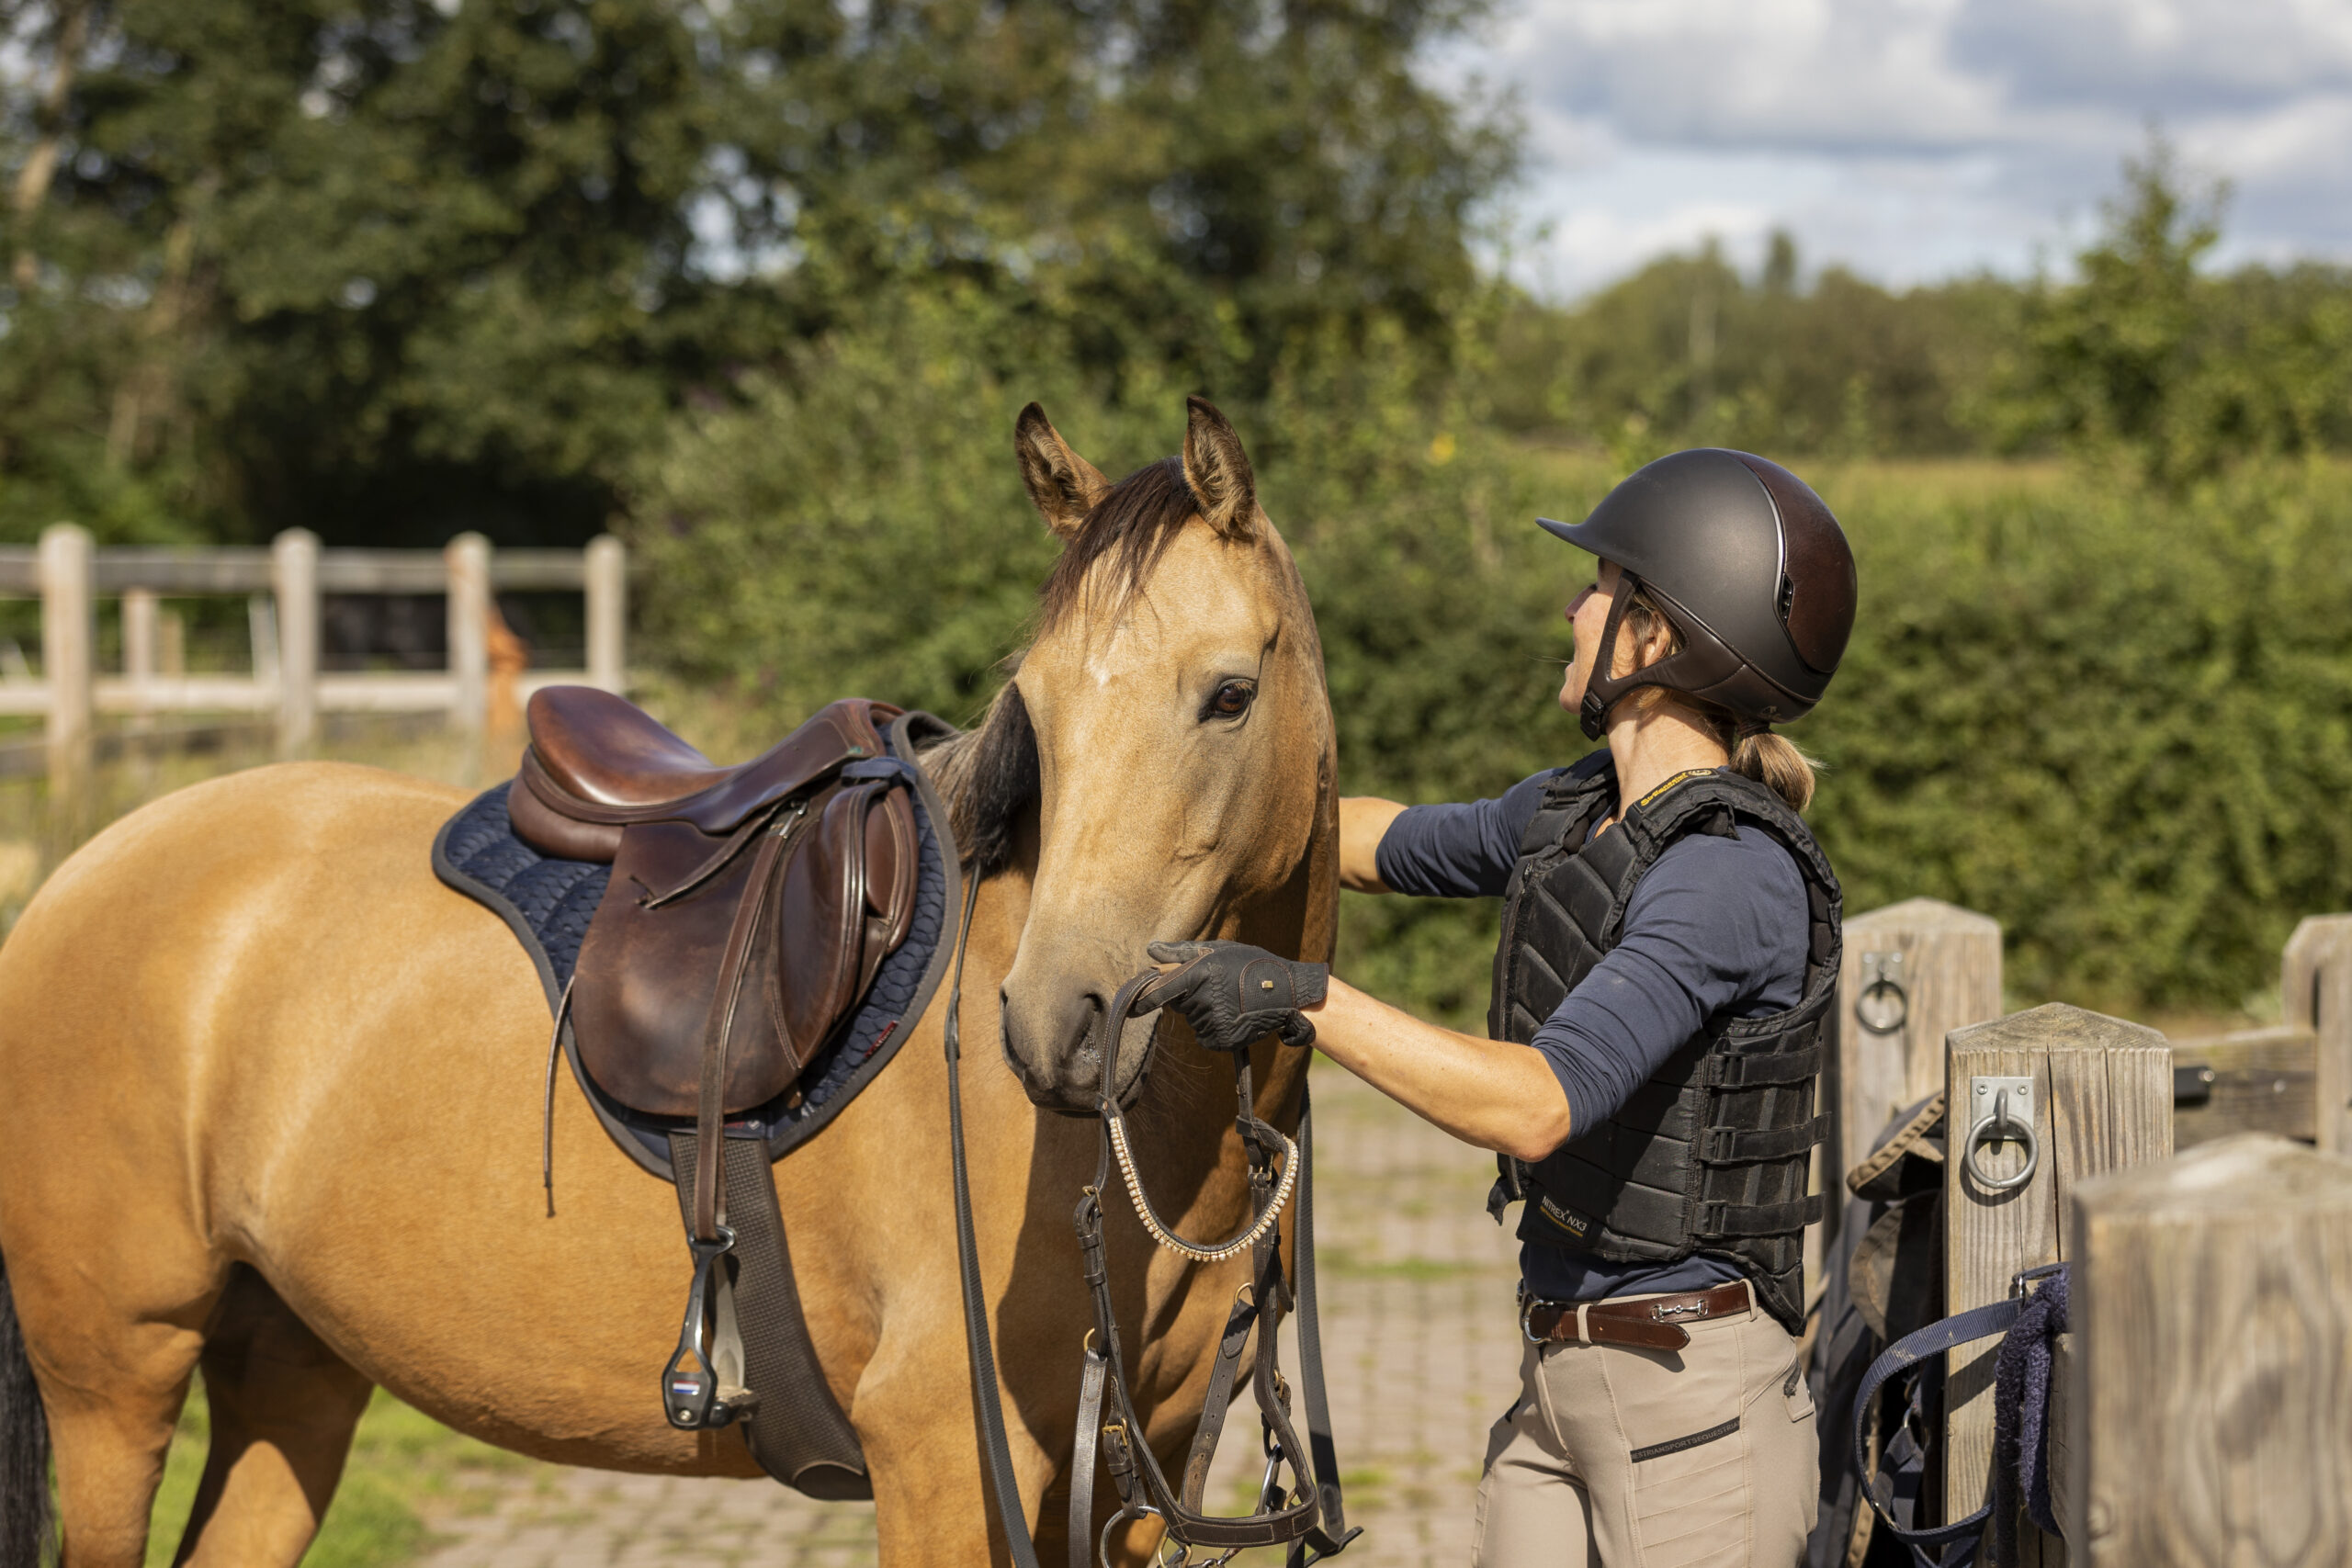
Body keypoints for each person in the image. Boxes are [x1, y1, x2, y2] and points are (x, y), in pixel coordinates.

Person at [1142, 447, 1858, 1568]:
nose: (1572, 608)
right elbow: (1364, 839)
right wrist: (1155, 805)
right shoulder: (1576, 814)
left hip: (1691, 1418)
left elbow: (1534, 1106)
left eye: (1598, 585)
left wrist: (1299, 1000)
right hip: (1555, 1391)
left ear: (1653, 637)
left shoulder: (1729, 874)